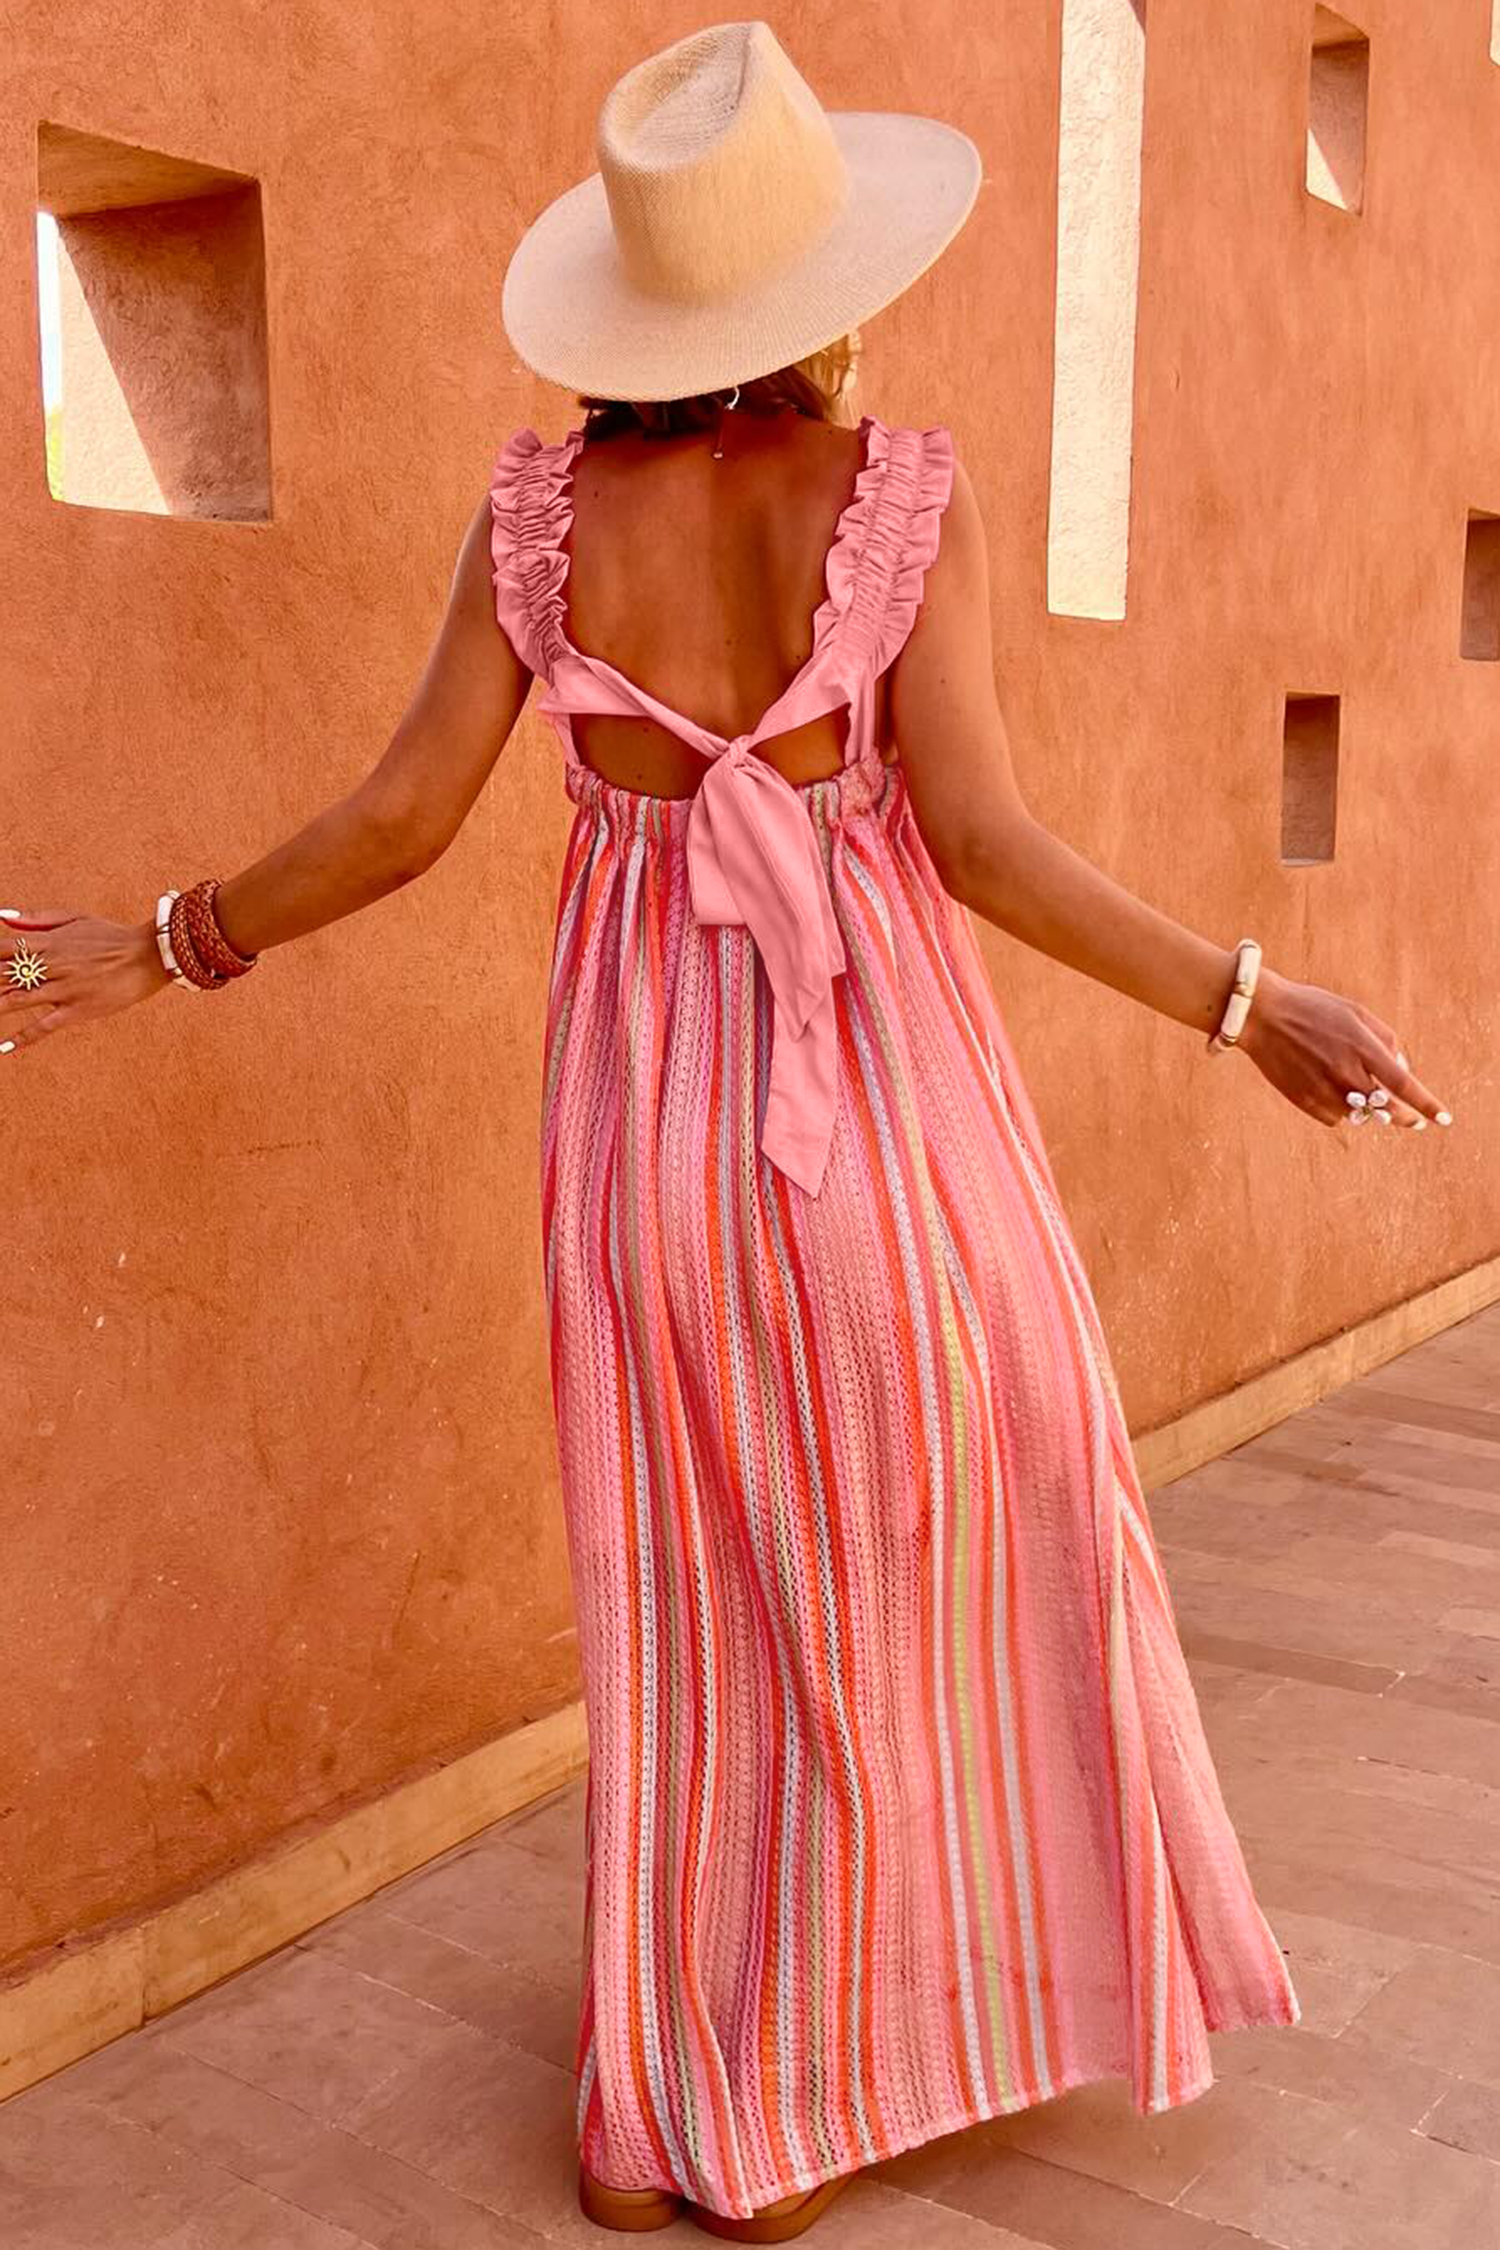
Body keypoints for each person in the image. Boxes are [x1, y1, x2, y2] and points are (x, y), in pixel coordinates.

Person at [2, 18, 1452, 2246]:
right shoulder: (899, 499)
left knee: (684, 1594)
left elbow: (398, 820)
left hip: (637, 1142)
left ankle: (655, 2111)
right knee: (942, 1549)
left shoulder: (538, 518)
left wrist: (166, 942)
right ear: (820, 290)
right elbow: (986, 847)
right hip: (880, 1114)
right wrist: (1249, 1000)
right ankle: (803, 2098)